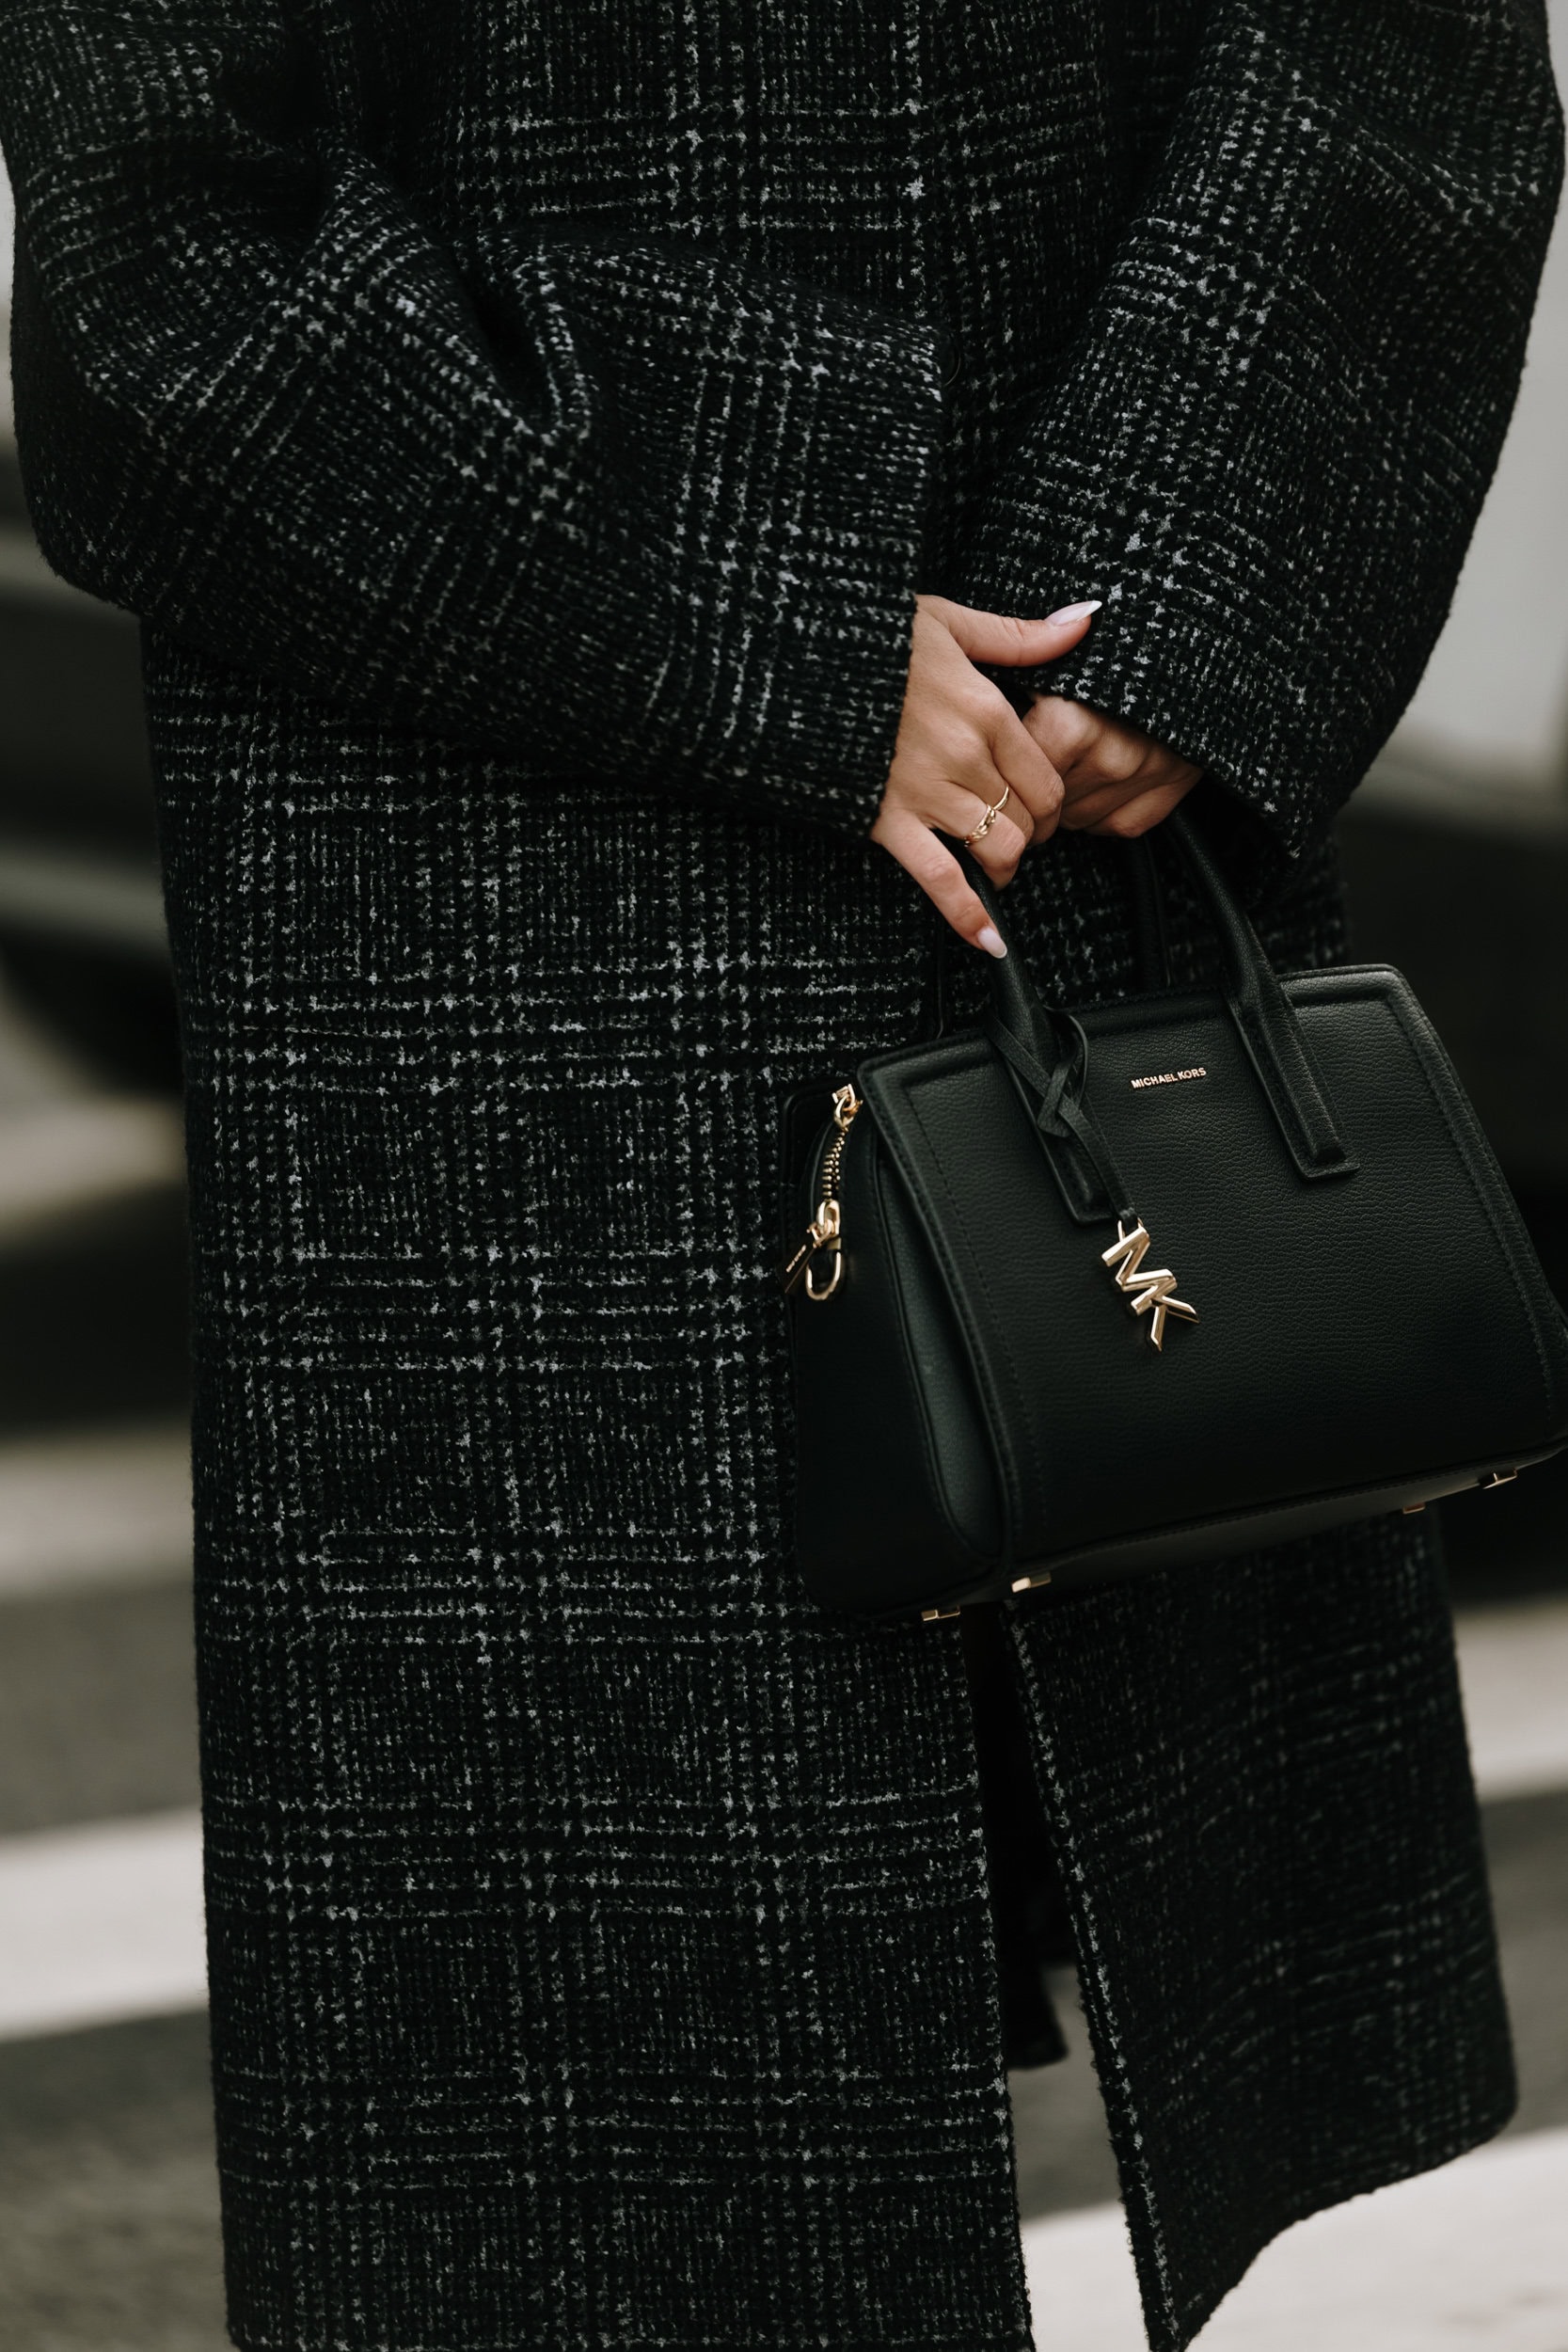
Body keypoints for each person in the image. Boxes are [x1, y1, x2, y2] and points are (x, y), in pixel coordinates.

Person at [0, 6, 1558, 2347]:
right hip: (485, 853)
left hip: (1051, 730)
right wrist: (777, 601)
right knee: (603, 2121)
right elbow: (162, 257)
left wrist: (1172, 563)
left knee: (857, 1978)